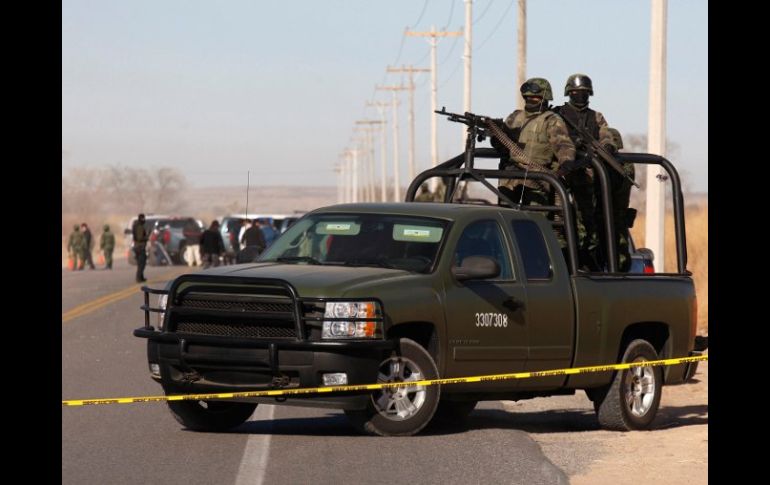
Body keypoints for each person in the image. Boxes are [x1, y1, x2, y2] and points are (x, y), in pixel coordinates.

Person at [553, 73, 630, 270]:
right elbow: (556, 139)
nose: (580, 96)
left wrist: (607, 147)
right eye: (576, 93)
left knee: (589, 223)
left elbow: (605, 136)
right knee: (560, 220)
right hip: (563, 173)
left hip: (588, 176)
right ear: (569, 93)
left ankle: (588, 262)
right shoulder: (558, 115)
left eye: (585, 93)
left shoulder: (596, 116)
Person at [132, 213, 149, 282]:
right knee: (142, 263)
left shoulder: (137, 225)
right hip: (140, 247)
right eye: (143, 218)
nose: (144, 220)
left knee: (141, 263)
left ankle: (141, 277)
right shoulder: (139, 227)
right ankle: (139, 278)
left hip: (138, 246)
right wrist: (146, 237)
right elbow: (139, 238)